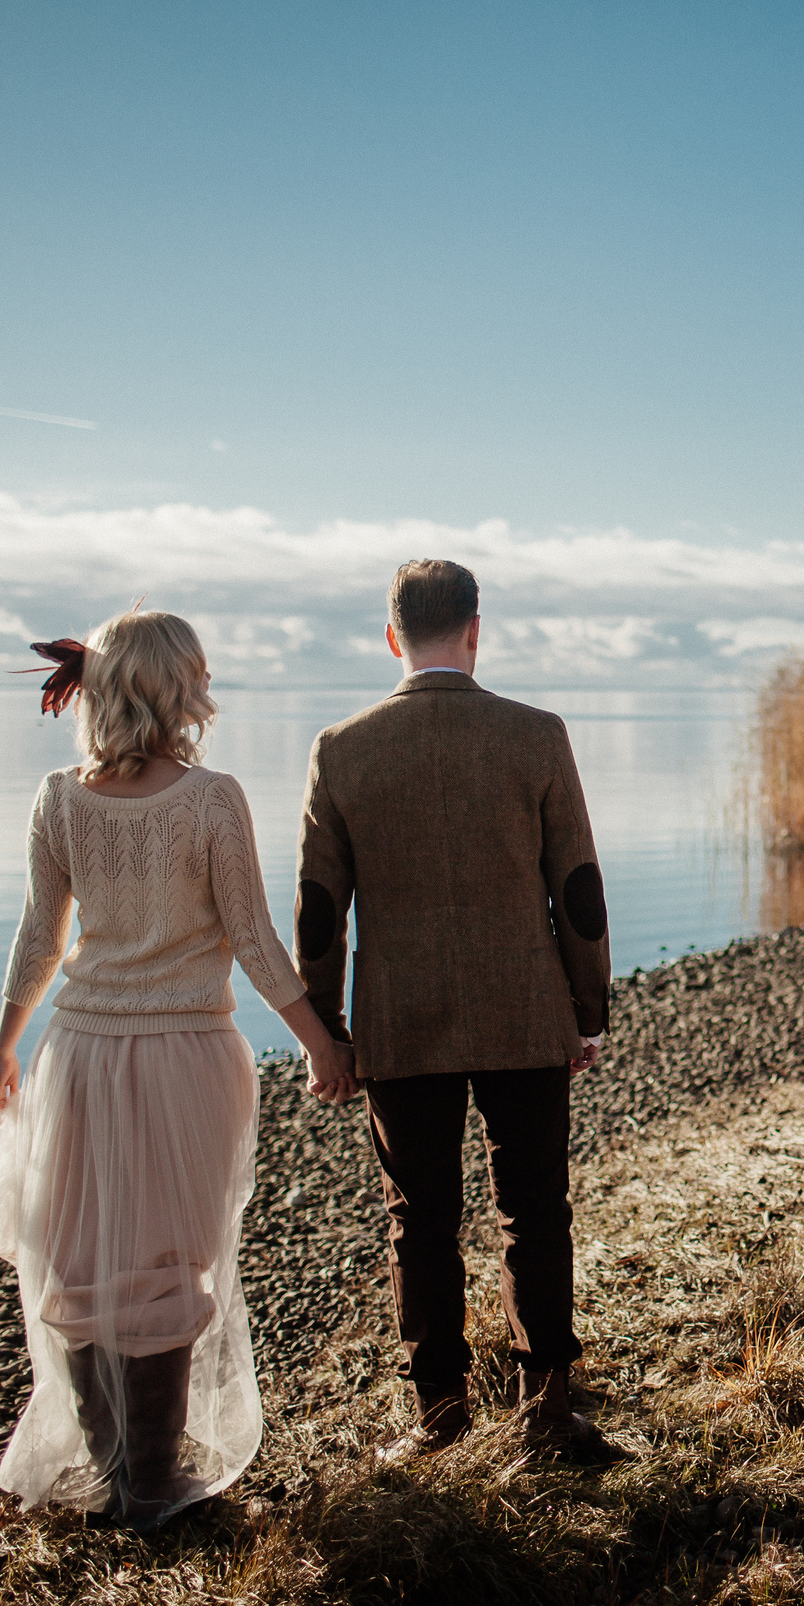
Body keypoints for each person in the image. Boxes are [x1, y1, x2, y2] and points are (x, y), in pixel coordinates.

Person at [0, 607, 360, 1531]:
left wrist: (6, 1042)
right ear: (176, 687)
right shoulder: (212, 798)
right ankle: (149, 1477)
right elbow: (254, 941)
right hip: (188, 1057)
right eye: (200, 672)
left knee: (82, 1263)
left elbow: (39, 937)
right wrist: (321, 1042)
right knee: (170, 1264)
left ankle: (118, 1472)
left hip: (80, 1054)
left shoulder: (59, 798)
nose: (207, 685)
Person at [294, 558, 612, 1463]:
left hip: (400, 1018)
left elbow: (319, 909)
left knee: (419, 1220)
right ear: (475, 630)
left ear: (391, 636)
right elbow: (578, 887)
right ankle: (548, 1411)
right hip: (525, 1008)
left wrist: (327, 1028)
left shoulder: (341, 748)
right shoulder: (537, 734)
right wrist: (586, 1007)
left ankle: (439, 1419)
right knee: (535, 1210)